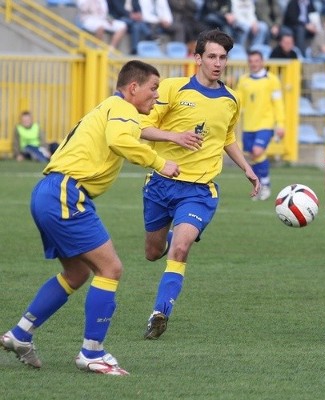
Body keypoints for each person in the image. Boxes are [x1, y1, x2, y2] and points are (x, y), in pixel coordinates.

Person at [0, 60, 180, 375]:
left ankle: (20, 334)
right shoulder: (121, 107)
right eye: (153, 89)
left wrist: (172, 137)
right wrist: (159, 162)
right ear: (133, 88)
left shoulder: (112, 108)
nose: (156, 96)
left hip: (49, 191)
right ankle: (92, 352)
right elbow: (121, 141)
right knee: (110, 268)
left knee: (77, 273)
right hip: (67, 193)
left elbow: (133, 131)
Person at [140, 30, 260, 340]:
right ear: (197, 58)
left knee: (180, 249)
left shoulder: (231, 99)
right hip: (161, 183)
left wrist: (246, 167)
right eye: (212, 56)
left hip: (199, 190)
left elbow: (227, 137)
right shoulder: (172, 88)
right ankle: (174, 231)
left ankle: (160, 312)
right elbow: (143, 127)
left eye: (223, 57)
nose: (218, 63)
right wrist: (174, 136)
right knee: (154, 252)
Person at [235, 50, 285, 201]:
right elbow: (238, 102)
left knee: (257, 151)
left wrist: (280, 124)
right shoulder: (243, 80)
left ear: (262, 62)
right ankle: (259, 186)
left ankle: (266, 184)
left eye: (257, 61)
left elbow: (278, 103)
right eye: (251, 61)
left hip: (266, 123)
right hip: (249, 125)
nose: (254, 64)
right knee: (253, 156)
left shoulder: (272, 80)